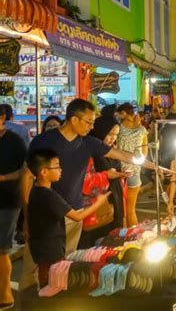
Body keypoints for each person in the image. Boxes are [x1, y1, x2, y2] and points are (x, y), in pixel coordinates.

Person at [19, 98, 155, 290]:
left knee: (64, 268)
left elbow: (123, 155)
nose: (92, 127)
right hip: (45, 217)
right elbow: (26, 176)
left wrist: (156, 167)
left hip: (74, 213)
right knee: (33, 268)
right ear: (74, 120)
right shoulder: (44, 141)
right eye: (88, 122)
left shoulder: (88, 143)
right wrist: (26, 215)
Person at [26, 149, 111, 287]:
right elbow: (77, 216)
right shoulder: (50, 197)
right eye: (57, 166)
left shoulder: (36, 191)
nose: (60, 170)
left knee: (47, 281)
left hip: (42, 248)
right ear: (44, 172)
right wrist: (99, 202)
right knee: (52, 284)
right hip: (51, 250)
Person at [79, 115, 130, 248]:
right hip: (96, 207)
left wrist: (121, 176)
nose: (113, 138)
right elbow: (84, 181)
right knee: (94, 246)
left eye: (116, 135)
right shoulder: (91, 150)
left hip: (115, 201)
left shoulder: (111, 150)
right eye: (110, 134)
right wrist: (107, 175)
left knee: (112, 243)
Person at [0, 104, 27, 309]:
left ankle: (5, 294)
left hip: (8, 200)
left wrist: (3, 177)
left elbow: (24, 171)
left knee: (2, 249)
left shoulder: (15, 141)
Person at [116, 102, 149, 227]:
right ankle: (133, 237)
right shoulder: (142, 130)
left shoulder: (118, 128)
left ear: (124, 113)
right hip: (134, 171)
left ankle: (122, 237)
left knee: (121, 210)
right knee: (131, 210)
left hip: (119, 171)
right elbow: (144, 153)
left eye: (119, 113)